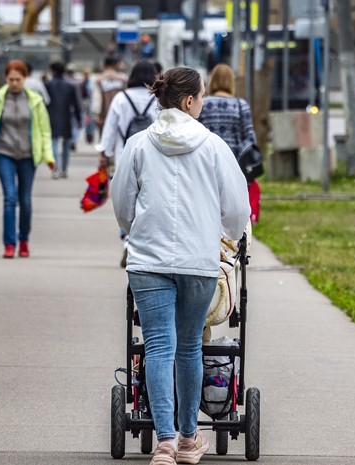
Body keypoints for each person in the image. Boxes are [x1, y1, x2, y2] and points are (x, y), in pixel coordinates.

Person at [110, 67, 250, 465]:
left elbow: (122, 203)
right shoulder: (213, 146)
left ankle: (165, 443)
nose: (203, 103)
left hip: (148, 260)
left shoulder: (138, 145)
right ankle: (189, 440)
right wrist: (226, 233)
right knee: (190, 345)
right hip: (197, 260)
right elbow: (238, 208)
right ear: (189, 101)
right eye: (201, 97)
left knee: (157, 345)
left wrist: (133, 228)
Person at [0, 60, 55, 259]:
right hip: (4, 153)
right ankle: (9, 243)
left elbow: (44, 130)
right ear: (6, 79)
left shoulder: (34, 100)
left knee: (25, 200)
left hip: (28, 155)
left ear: (25, 79)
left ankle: (23, 240)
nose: (14, 83)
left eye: (18, 79)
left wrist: (49, 156)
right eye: (11, 79)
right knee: (10, 198)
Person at [96, 60, 159, 267]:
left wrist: (104, 154)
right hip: (153, 159)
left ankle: (127, 238)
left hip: (124, 157)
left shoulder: (121, 99)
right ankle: (144, 243)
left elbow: (110, 129)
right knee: (148, 200)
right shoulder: (158, 99)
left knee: (126, 201)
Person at [197, 63, 260, 224]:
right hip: (235, 165)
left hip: (208, 163)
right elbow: (250, 138)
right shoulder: (241, 105)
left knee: (209, 208)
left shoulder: (204, 104)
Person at [45, 61, 82, 179]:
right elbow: (76, 104)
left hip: (51, 117)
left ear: (53, 71)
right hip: (66, 117)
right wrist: (78, 118)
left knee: (53, 144)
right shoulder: (70, 86)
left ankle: (55, 169)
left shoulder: (48, 85)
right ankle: (64, 169)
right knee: (66, 145)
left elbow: (44, 103)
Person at [92, 55, 128, 135]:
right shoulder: (123, 79)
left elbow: (97, 98)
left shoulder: (98, 79)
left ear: (104, 64)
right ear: (115, 65)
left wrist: (97, 114)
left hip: (104, 114)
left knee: (104, 139)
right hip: (120, 113)